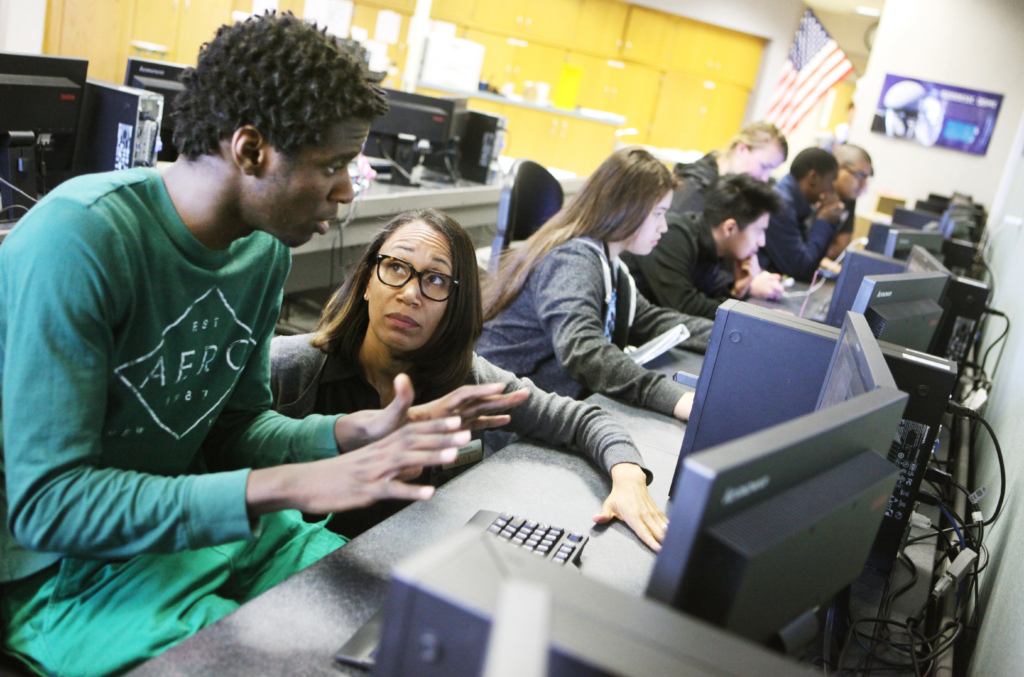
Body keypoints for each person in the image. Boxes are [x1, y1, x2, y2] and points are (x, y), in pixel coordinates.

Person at [0, 14, 499, 677]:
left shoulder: (262, 253)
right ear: (252, 149)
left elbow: (234, 427)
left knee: (404, 609)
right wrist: (291, 482)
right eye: (332, 165)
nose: (349, 191)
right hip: (57, 575)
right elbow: (50, 505)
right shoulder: (81, 238)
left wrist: (345, 433)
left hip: (191, 529)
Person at [271, 209, 669, 550]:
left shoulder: (468, 379)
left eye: (436, 280)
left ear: (454, 306)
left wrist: (628, 474)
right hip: (297, 574)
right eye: (396, 267)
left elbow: (582, 419)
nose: (411, 293)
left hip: (408, 563)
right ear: (366, 283)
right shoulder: (291, 369)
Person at [477, 148, 713, 423]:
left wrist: (729, 336)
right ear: (627, 209)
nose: (664, 227)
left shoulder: (609, 264)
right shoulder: (572, 260)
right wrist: (673, 398)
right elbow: (583, 350)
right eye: (658, 214)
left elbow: (650, 320)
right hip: (501, 422)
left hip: (542, 409)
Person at [626, 174, 785, 321]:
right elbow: (684, 307)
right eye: (759, 231)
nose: (762, 242)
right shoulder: (673, 236)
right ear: (729, 228)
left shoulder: (714, 247)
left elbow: (705, 302)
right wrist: (752, 317)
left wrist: (737, 291)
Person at [668, 121, 788, 217]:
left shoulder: (733, 187)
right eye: (764, 166)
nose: (765, 178)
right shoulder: (693, 188)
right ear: (742, 149)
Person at [758, 147, 843, 282]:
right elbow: (801, 268)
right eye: (831, 180)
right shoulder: (781, 205)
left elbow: (812, 260)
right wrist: (823, 222)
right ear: (813, 177)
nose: (832, 188)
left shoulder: (795, 203)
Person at [826, 144, 874, 260]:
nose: (863, 185)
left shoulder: (849, 198)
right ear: (837, 169)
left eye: (867, 177)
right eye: (859, 175)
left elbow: (842, 246)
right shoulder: (817, 193)